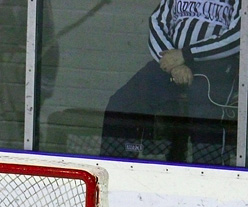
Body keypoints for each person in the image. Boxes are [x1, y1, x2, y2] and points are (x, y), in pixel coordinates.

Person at [100, 0, 240, 165]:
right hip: (170, 61)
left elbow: (240, 34)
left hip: (215, 65)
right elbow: (157, 21)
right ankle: (115, 170)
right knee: (122, 103)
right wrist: (173, 63)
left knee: (206, 117)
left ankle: (210, 178)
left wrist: (187, 54)